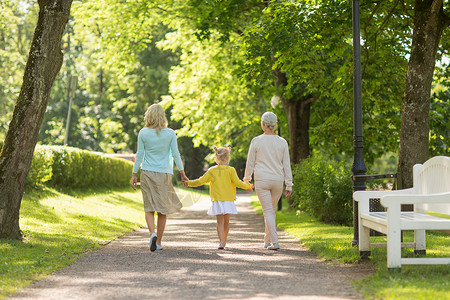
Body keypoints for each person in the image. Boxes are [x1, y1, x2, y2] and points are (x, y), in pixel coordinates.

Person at [130, 103, 189, 252]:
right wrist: (182, 173)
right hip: (164, 173)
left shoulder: (143, 132)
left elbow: (140, 154)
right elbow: (176, 154)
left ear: (148, 116)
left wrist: (134, 174)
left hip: (148, 172)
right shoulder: (170, 133)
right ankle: (159, 242)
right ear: (163, 116)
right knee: (162, 209)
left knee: (149, 207)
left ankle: (152, 234)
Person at [184, 146, 253, 249]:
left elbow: (200, 181)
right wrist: (248, 186)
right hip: (228, 199)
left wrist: (188, 183)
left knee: (220, 221)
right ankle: (224, 241)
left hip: (217, 200)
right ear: (228, 158)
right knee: (226, 221)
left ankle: (221, 242)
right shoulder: (231, 170)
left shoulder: (212, 170)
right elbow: (238, 182)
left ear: (216, 157)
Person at [244, 112, 292, 250]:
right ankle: (266, 239)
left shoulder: (256, 141)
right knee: (270, 210)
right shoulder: (282, 142)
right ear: (275, 124)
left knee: (268, 211)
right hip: (278, 180)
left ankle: (275, 242)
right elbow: (286, 165)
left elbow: (250, 163)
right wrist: (289, 184)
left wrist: (247, 180)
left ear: (263, 124)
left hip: (262, 180)